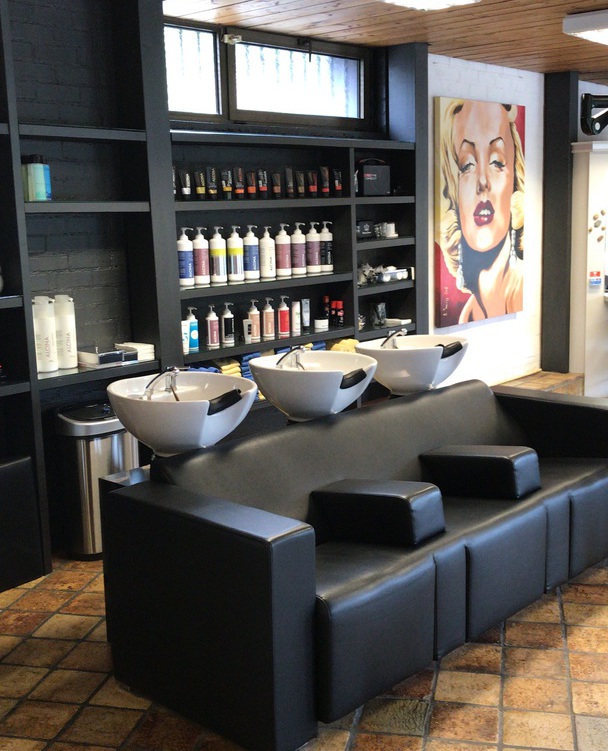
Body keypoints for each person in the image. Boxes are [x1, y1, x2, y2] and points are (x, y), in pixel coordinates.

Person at [435, 98, 525, 326]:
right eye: (467, 165)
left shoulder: (520, 291)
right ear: (451, 190)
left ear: (515, 179)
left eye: (497, 162)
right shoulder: (468, 315)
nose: (483, 181)